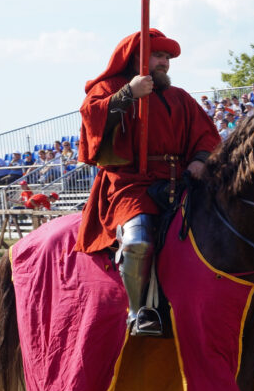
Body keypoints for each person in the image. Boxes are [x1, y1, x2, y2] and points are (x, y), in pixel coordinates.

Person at [76, 28, 220, 336]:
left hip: (178, 182)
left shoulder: (179, 97)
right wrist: (128, 94)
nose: (164, 63)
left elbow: (206, 134)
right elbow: (92, 117)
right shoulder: (110, 86)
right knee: (139, 242)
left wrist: (199, 159)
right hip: (131, 183)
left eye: (167, 57)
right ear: (136, 58)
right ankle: (137, 312)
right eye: (158, 55)